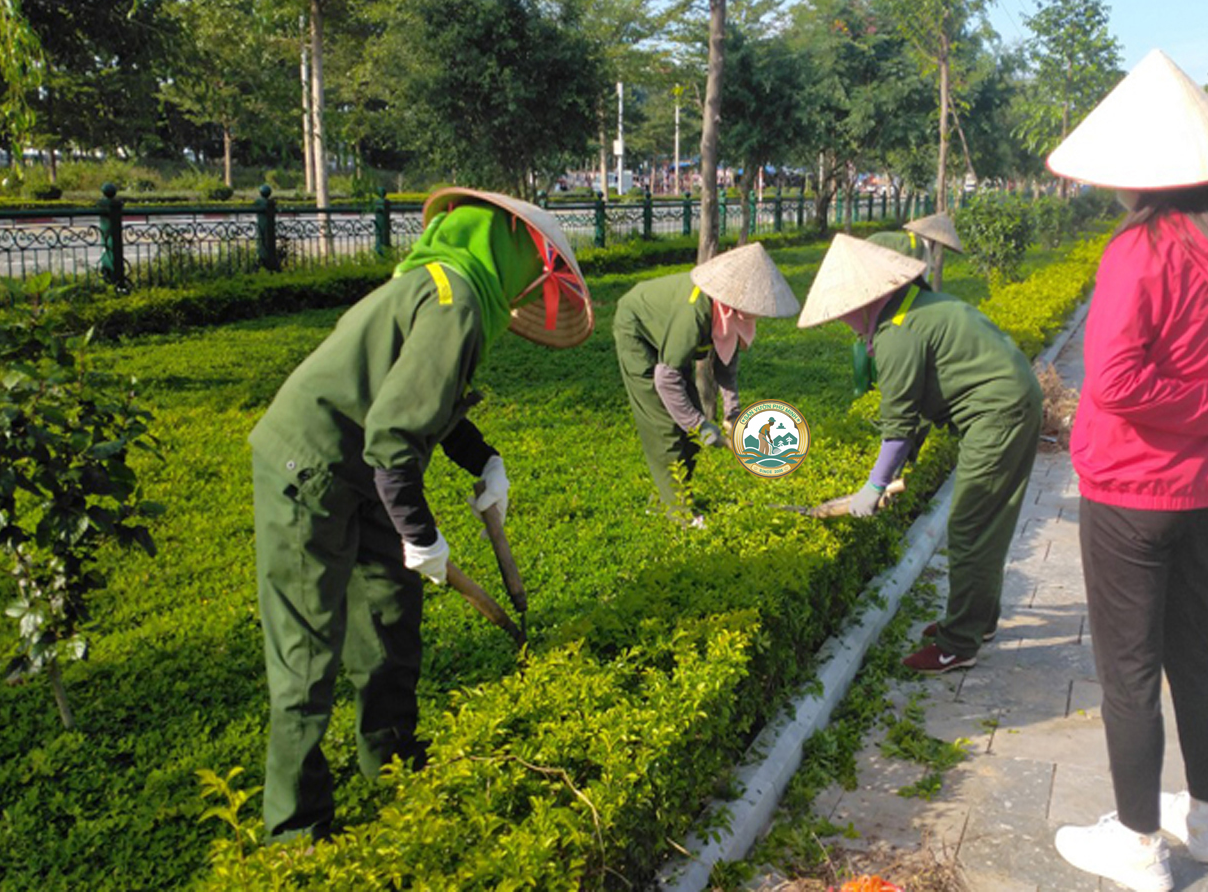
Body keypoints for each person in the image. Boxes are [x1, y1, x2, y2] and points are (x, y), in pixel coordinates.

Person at [249, 187, 592, 844]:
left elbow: (419, 400)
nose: (535, 287)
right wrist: (421, 535)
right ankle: (296, 830)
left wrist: (484, 460)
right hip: (308, 464)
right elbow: (393, 439)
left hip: (365, 462)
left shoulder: (450, 287)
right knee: (308, 652)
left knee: (390, 622)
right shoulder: (453, 299)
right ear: (517, 250)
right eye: (540, 270)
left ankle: (396, 769)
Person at [1043, 50, 1208, 892]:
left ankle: (1141, 842)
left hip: (1134, 483)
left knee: (1128, 667)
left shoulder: (1144, 249)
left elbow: (1112, 381)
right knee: (1194, 647)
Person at [798, 234, 1042, 674]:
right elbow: (923, 405)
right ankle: (978, 621)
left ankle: (958, 645)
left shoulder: (896, 334)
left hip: (998, 413)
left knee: (971, 524)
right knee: (989, 519)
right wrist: (899, 468)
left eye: (843, 312)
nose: (843, 323)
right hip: (1013, 398)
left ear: (866, 300)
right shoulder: (915, 305)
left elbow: (897, 427)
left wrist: (872, 487)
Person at [613, 243, 797, 518]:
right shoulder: (695, 312)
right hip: (638, 331)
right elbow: (666, 379)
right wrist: (701, 426)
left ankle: (668, 498)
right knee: (666, 427)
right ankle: (680, 516)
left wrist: (732, 413)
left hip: (670, 344)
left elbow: (726, 364)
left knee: (691, 424)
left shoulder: (735, 315)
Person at [855, 213, 964, 397]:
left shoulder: (911, 243)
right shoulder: (917, 248)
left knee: (865, 331)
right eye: (940, 246)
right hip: (873, 277)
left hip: (869, 277)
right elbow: (916, 284)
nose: (939, 251)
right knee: (877, 332)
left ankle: (864, 388)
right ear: (934, 240)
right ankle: (870, 385)